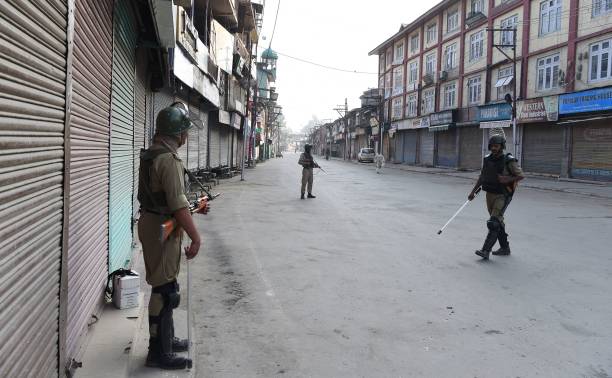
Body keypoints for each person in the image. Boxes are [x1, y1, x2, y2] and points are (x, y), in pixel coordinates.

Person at [137, 103, 204, 369]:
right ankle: (158, 353)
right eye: (185, 131)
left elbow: (169, 201)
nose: (186, 136)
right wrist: (196, 238)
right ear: (178, 134)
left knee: (167, 285)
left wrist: (194, 207)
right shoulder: (169, 160)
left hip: (155, 224)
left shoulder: (152, 154)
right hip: (161, 229)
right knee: (165, 292)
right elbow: (178, 206)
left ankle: (166, 338)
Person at [468, 134, 524, 259]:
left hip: (503, 194)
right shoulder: (487, 159)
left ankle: (485, 251)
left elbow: (520, 175)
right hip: (490, 194)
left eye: (496, 146)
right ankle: (505, 248)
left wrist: (507, 179)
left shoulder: (509, 160)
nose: (494, 148)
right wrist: (473, 191)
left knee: (493, 222)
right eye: (492, 146)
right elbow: (482, 176)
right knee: (497, 222)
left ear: (502, 146)